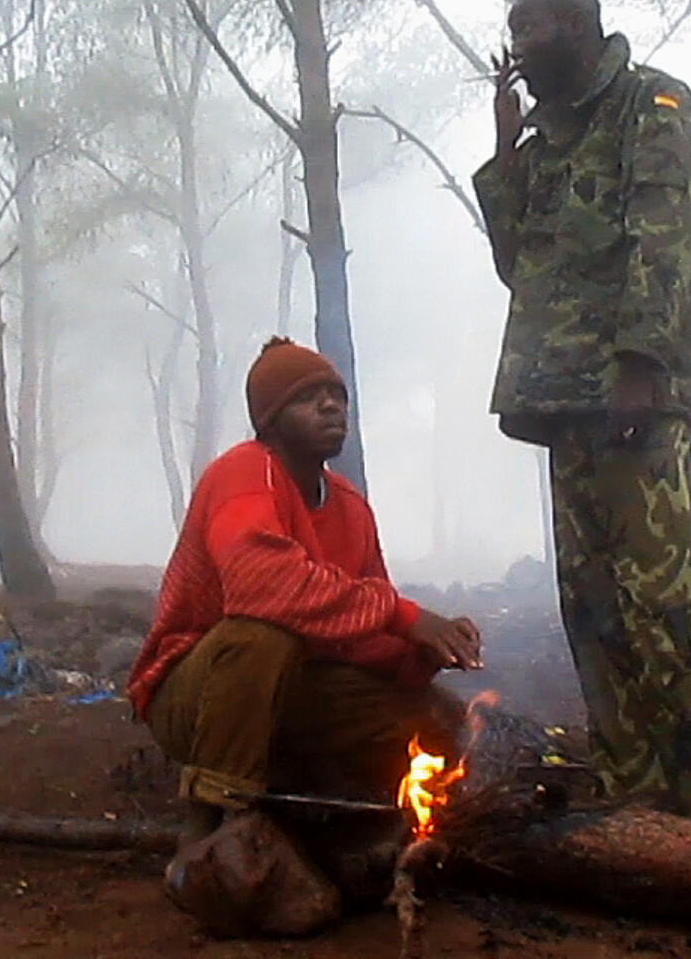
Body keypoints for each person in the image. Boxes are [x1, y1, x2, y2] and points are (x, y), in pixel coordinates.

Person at [470, 0, 691, 818]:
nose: (519, 48)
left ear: (581, 26)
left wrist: (639, 364)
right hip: (564, 403)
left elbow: (667, 240)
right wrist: (507, 147)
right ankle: (636, 793)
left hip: (634, 396)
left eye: (533, 30)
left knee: (663, 599)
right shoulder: (548, 140)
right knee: (591, 607)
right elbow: (519, 264)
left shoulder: (652, 107)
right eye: (514, 33)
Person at [128, 336, 484, 844]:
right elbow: (262, 586)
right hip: (197, 699)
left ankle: (348, 822)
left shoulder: (350, 506)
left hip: (297, 693)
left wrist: (421, 652)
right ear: (270, 420)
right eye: (306, 397)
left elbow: (363, 630)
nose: (330, 405)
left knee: (436, 715)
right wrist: (406, 618)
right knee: (263, 635)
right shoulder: (244, 471)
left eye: (336, 395)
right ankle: (214, 827)